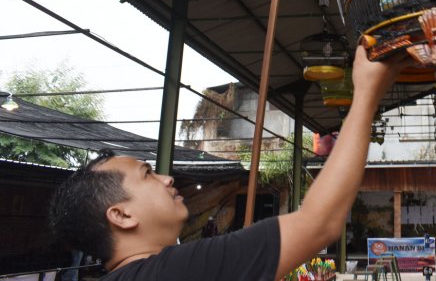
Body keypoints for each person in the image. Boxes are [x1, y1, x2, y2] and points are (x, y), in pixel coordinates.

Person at [48, 45, 407, 281]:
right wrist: (366, 95)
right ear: (122, 216)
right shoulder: (175, 272)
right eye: (147, 174)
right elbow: (319, 224)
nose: (167, 178)